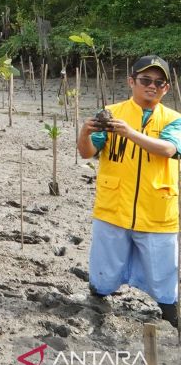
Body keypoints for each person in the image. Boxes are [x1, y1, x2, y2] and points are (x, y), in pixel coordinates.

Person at [77, 55, 179, 328]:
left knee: (164, 275)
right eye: (146, 80)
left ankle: (171, 319)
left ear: (166, 88)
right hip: (114, 207)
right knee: (104, 271)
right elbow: (88, 152)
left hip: (157, 210)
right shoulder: (112, 112)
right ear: (131, 82)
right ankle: (97, 306)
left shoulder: (174, 119)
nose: (152, 86)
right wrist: (84, 133)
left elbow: (168, 150)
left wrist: (129, 133)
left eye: (159, 83)